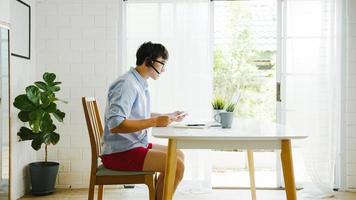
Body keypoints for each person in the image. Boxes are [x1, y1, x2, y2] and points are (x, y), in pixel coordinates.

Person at [101, 41, 186, 200]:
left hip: (131, 145)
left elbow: (137, 114)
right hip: (119, 153)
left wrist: (167, 116)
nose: (163, 69)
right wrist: (155, 122)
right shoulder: (127, 84)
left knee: (178, 154)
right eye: (162, 63)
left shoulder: (138, 82)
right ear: (149, 61)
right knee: (177, 165)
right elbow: (116, 124)